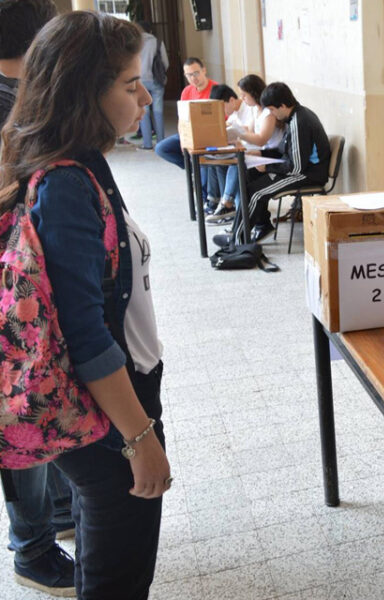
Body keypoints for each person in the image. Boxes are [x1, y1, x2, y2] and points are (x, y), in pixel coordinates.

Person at [0, 11, 173, 599]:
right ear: (83, 92)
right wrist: (139, 440)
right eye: (130, 84)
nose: (145, 98)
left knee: (109, 543)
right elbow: (85, 334)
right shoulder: (66, 185)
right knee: (117, 574)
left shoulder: (84, 165)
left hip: (114, 397)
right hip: (106, 407)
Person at [0, 1, 79, 596]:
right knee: (20, 415)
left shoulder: (22, 99)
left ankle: (53, 515)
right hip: (12, 289)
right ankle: (32, 550)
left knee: (37, 399)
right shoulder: (12, 108)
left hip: (25, 285)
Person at [215, 81, 330, 245]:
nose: (272, 115)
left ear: (282, 106)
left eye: (272, 110)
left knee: (257, 193)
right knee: (249, 176)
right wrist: (261, 154)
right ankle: (248, 230)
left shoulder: (299, 122)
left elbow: (296, 167)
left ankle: (237, 240)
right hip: (299, 169)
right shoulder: (294, 117)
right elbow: (286, 151)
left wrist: (268, 167)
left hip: (308, 175)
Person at [205, 74, 284, 225]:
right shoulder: (256, 109)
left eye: (244, 95)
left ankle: (230, 206)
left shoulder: (268, 113)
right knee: (236, 159)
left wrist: (240, 134)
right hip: (262, 152)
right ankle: (235, 214)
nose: (242, 98)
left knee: (239, 162)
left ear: (254, 93)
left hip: (273, 155)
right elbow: (249, 130)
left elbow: (261, 139)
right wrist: (234, 135)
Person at [153, 56, 218, 171]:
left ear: (204, 70)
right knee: (161, 148)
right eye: (189, 75)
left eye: (196, 73)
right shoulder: (187, 91)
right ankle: (192, 169)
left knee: (203, 169)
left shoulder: (216, 90)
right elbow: (182, 120)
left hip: (209, 136)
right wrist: (183, 139)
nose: (193, 78)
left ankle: (198, 171)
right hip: (190, 133)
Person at [204, 83, 253, 213]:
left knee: (229, 162)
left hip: (250, 152)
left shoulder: (249, 110)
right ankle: (217, 201)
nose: (221, 112)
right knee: (215, 159)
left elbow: (251, 135)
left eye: (222, 108)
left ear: (231, 100)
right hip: (239, 150)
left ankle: (227, 204)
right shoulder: (233, 114)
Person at [136, 20, 167, 150]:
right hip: (156, 80)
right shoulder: (158, 42)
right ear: (150, 30)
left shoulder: (135, 42)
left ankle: (147, 143)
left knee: (144, 111)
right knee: (158, 111)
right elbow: (165, 62)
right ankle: (161, 143)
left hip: (139, 81)